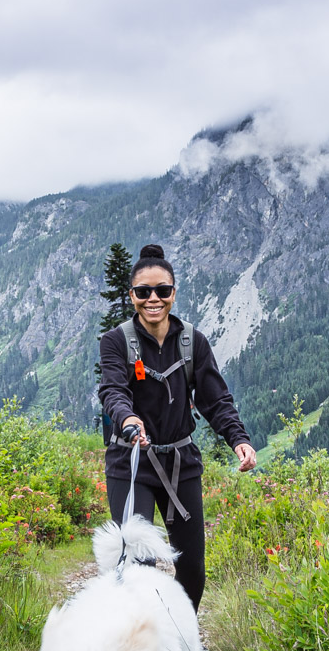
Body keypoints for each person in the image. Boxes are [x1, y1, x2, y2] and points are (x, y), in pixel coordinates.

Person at [97, 243, 256, 609]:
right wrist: (128, 419)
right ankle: (143, 645)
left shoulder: (193, 342)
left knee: (192, 567)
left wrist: (239, 440)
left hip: (181, 463)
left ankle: (181, 638)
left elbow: (215, 399)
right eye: (143, 292)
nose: (153, 299)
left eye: (162, 291)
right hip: (131, 463)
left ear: (173, 292)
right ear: (132, 296)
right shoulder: (115, 342)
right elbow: (113, 390)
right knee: (139, 562)